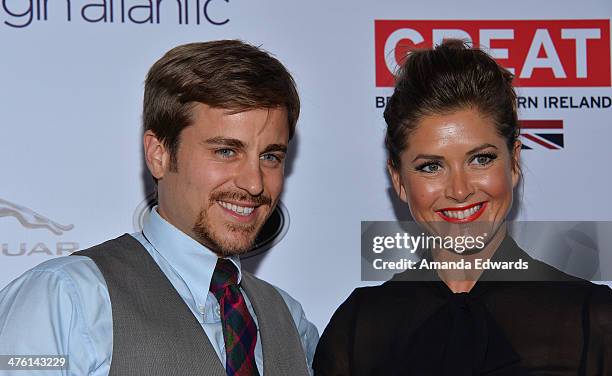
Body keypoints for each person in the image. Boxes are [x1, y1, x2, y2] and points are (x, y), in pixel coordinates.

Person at [0, 40, 318, 376]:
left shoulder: (289, 321)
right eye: (226, 151)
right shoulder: (65, 300)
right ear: (159, 154)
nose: (254, 183)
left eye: (270, 157)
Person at [313, 40, 612, 375]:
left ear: (513, 163)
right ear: (398, 180)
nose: (459, 190)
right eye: (431, 166)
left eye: (480, 159)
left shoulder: (593, 321)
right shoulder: (358, 330)